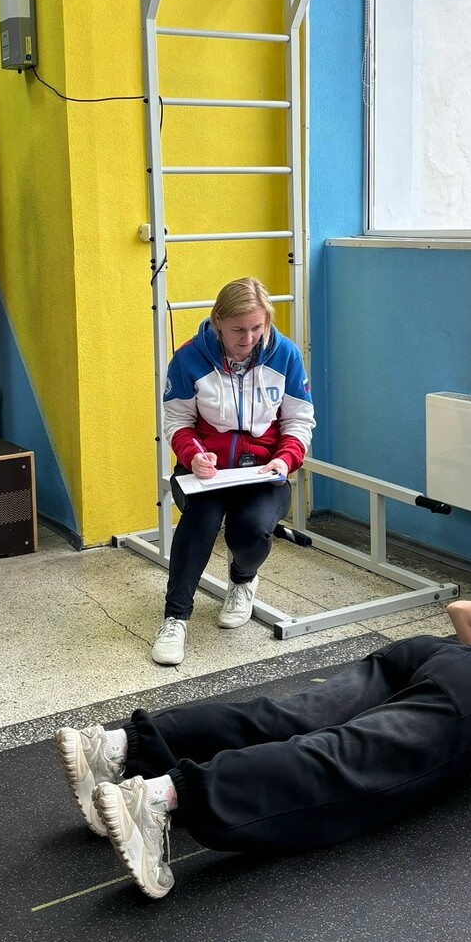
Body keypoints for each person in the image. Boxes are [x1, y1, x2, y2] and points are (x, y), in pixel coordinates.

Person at [54, 599, 471, 899]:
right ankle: (162, 798)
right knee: (346, 762)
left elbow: (464, 610)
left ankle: (117, 748)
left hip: (434, 656)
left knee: (287, 715)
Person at [151, 277, 315, 666]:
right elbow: (176, 422)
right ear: (218, 322)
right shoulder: (189, 358)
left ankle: (242, 580)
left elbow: (299, 420)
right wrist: (194, 456)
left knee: (251, 531)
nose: (249, 338)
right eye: (239, 329)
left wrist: (284, 460)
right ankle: (175, 618)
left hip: (263, 472)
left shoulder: (285, 355)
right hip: (206, 472)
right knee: (200, 522)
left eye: (257, 328)